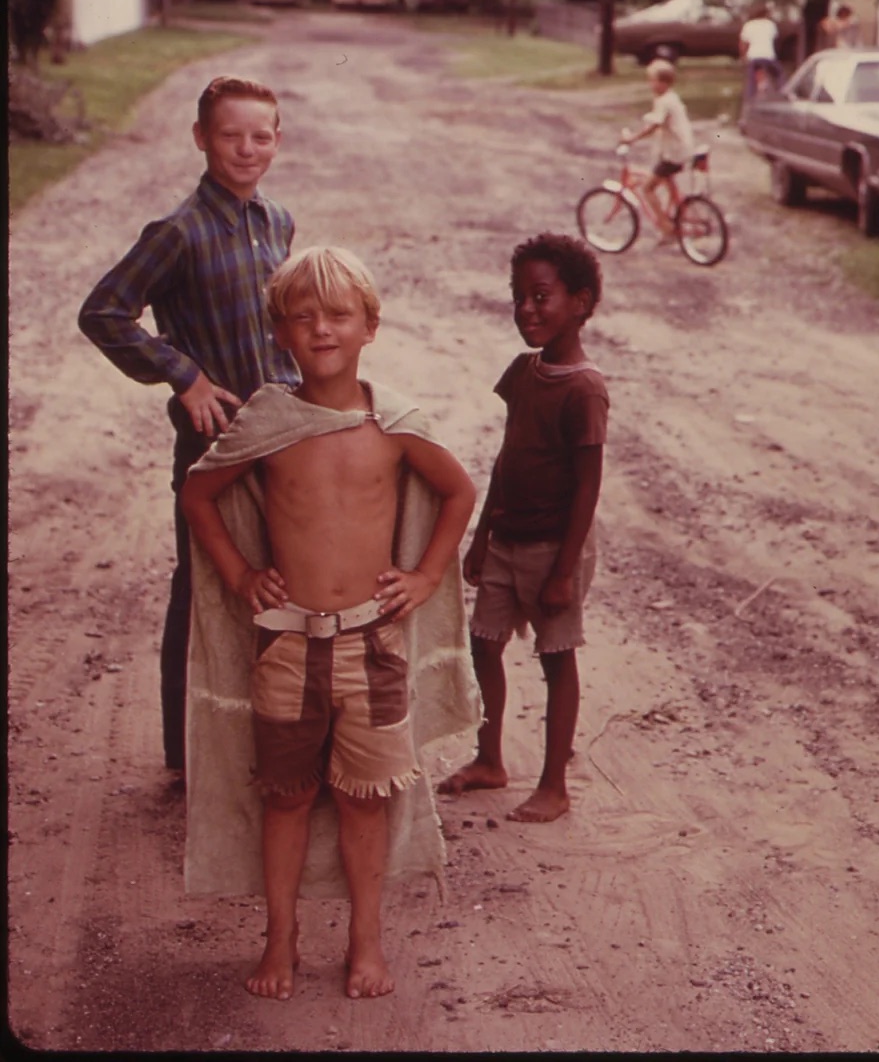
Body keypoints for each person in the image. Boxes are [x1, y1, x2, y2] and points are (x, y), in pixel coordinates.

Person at [180, 246, 477, 1001]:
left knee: (364, 800)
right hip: (285, 644)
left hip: (371, 649)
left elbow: (457, 491)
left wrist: (426, 574)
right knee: (284, 797)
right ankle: (280, 940)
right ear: (280, 332)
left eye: (338, 315)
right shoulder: (269, 420)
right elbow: (199, 494)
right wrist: (242, 575)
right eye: (303, 317)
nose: (321, 330)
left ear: (368, 327)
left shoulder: (393, 423)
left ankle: (365, 944)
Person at [78, 74, 298, 776]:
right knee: (202, 586)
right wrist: (185, 376)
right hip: (215, 443)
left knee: (282, 578)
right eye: (230, 135)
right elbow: (104, 311)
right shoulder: (178, 232)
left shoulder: (278, 221)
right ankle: (186, 756)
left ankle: (272, 738)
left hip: (283, 435)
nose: (245, 148)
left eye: (260, 136)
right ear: (201, 138)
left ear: (277, 140)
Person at [438, 233, 608, 824]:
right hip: (509, 539)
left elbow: (588, 486)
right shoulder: (523, 372)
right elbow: (508, 458)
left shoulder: (584, 389)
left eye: (542, 297)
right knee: (484, 644)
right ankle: (490, 760)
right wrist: (482, 534)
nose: (527, 310)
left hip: (553, 549)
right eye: (518, 298)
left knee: (556, 657)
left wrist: (564, 570)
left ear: (581, 302)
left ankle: (555, 785)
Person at [621, 56, 695, 237]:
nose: (650, 85)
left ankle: (666, 227)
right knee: (661, 177)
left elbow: (654, 126)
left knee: (647, 188)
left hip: (675, 153)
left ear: (663, 83)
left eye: (652, 81)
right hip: (681, 150)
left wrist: (632, 139)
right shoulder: (670, 97)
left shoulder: (664, 101)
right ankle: (672, 218)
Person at [738, 4, 782, 113]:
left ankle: (749, 105)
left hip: (753, 56)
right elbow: (774, 40)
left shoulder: (748, 25)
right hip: (768, 56)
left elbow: (743, 44)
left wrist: (743, 57)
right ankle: (782, 95)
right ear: (766, 14)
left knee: (751, 81)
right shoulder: (770, 25)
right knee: (779, 75)